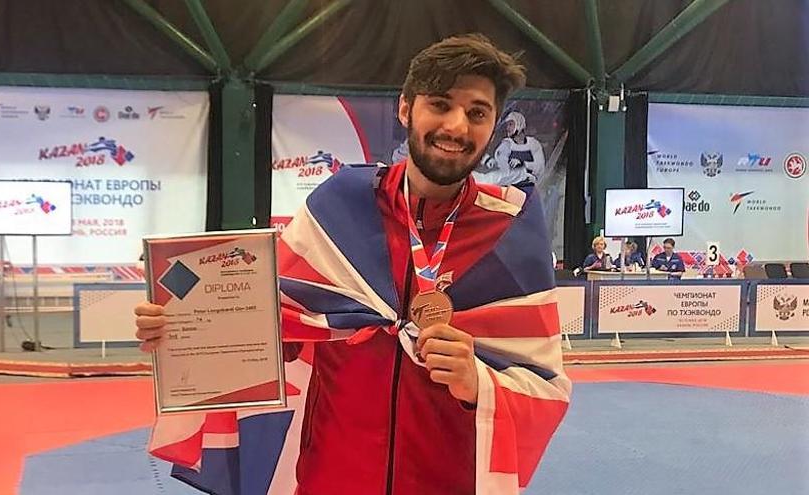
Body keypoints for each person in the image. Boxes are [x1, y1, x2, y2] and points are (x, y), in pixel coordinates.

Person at [136, 34, 570, 495]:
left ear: (494, 124)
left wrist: (478, 384)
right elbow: (274, 332)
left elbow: (545, 386)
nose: (457, 126)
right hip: (334, 477)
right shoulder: (339, 206)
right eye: (440, 104)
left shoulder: (510, 228)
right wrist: (183, 330)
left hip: (446, 480)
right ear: (406, 109)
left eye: (477, 112)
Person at [474, 110, 545, 187]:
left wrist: (523, 164)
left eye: (511, 124)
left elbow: (539, 166)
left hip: (526, 187)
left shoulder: (534, 144)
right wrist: (489, 161)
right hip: (507, 186)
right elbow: (503, 171)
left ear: (519, 124)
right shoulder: (506, 145)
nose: (508, 128)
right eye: (507, 125)